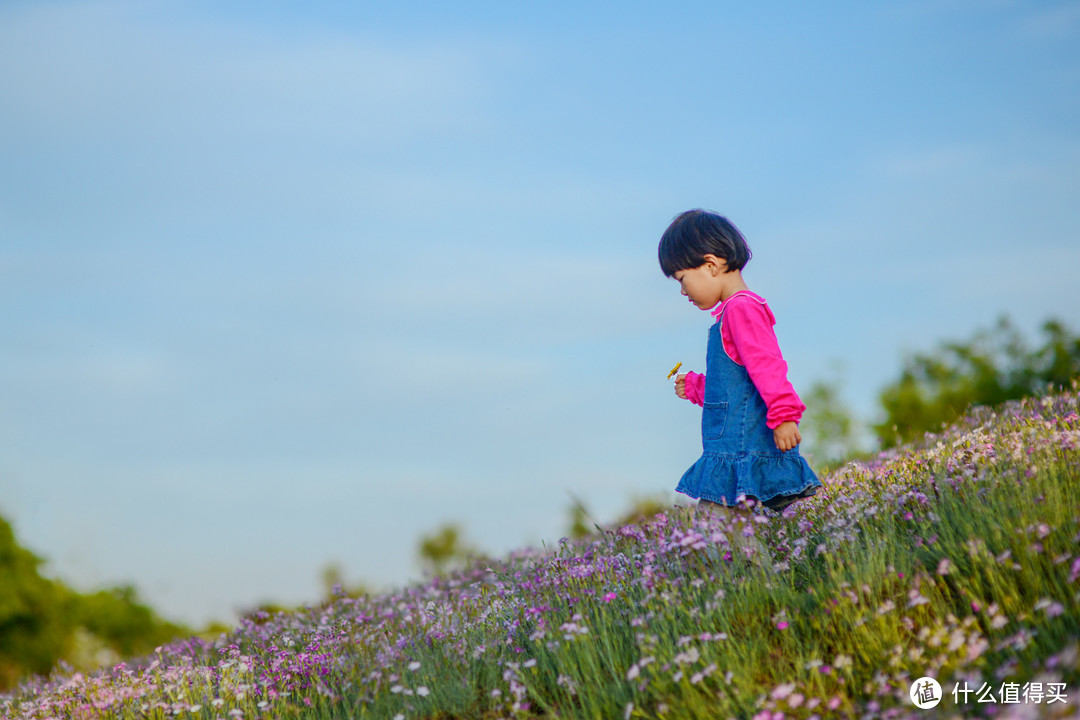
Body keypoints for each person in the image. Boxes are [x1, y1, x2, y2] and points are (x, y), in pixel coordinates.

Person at [659, 209, 821, 530]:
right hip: (731, 451)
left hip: (741, 452)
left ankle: (753, 580)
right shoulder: (729, 315)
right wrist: (694, 387)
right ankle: (758, 578)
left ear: (711, 265)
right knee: (735, 533)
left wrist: (784, 414)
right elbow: (735, 388)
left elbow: (767, 366)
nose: (682, 291)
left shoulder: (742, 309)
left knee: (717, 534)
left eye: (682, 279)